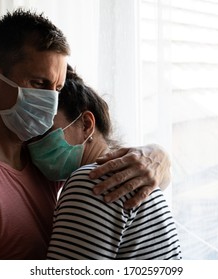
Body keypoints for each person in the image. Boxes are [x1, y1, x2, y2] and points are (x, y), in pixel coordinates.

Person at [0, 9, 171, 260]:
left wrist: (157, 155)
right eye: (40, 84)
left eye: (58, 88)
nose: (51, 102)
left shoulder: (40, 161)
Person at [30, 65, 181, 259]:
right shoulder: (136, 173)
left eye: (44, 131)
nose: (35, 146)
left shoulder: (90, 181)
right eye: (31, 137)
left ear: (86, 124)